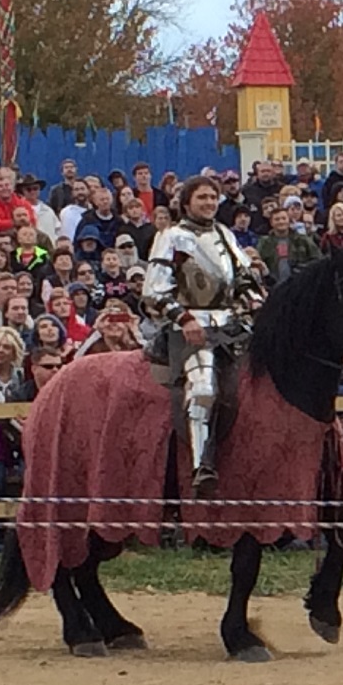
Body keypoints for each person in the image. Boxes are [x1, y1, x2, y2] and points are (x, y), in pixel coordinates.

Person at [142, 174, 264, 493]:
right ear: (186, 203)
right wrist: (183, 319)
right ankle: (201, 465)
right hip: (190, 325)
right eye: (202, 198)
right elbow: (153, 290)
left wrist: (256, 302)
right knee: (203, 387)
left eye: (213, 197)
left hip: (232, 324)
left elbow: (244, 280)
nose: (209, 203)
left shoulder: (224, 233)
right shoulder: (171, 236)